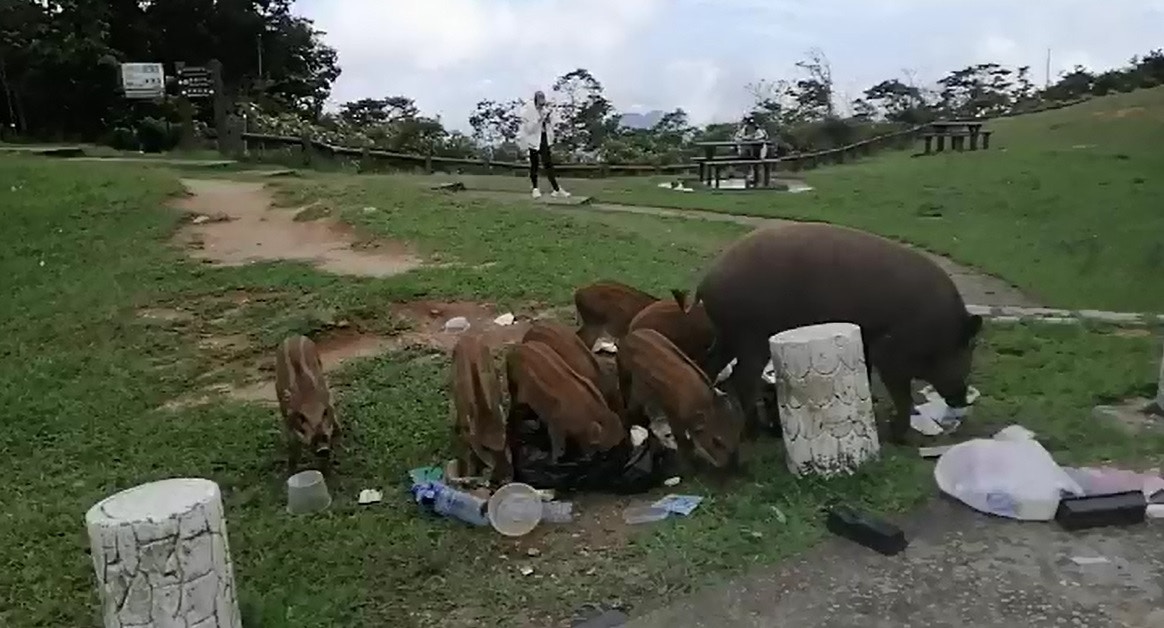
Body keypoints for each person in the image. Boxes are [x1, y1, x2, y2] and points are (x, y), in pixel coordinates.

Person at [520, 90, 570, 199]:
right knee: (535, 165)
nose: (542, 103)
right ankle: (535, 189)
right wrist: (539, 118)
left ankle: (556, 189)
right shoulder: (528, 112)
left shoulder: (545, 110)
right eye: (540, 100)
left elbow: (551, 125)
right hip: (533, 140)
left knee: (548, 164)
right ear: (536, 100)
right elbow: (529, 129)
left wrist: (548, 119)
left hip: (544, 139)